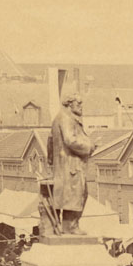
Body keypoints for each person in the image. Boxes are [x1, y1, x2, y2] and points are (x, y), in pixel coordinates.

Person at [46, 92, 95, 235]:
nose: (81, 107)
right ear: (69, 104)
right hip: (70, 165)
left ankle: (68, 225)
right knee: (76, 194)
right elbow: (70, 140)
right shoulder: (66, 118)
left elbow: (50, 141)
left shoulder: (60, 118)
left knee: (72, 195)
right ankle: (70, 226)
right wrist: (89, 146)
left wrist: (51, 161)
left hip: (64, 165)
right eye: (78, 103)